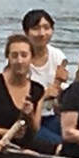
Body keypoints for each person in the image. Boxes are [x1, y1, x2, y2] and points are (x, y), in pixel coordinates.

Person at [0, 34, 52, 151]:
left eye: (24, 55)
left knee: (59, 149)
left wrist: (29, 116)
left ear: (31, 58)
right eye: (14, 55)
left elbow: (34, 130)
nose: (19, 61)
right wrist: (6, 132)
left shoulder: (38, 90)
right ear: (8, 58)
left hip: (20, 145)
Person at [23, 9, 68, 146]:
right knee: (58, 143)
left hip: (50, 116)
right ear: (26, 32)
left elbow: (59, 89)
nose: (42, 33)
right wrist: (44, 94)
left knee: (72, 138)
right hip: (27, 120)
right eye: (36, 29)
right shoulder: (21, 58)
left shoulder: (58, 56)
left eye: (46, 28)